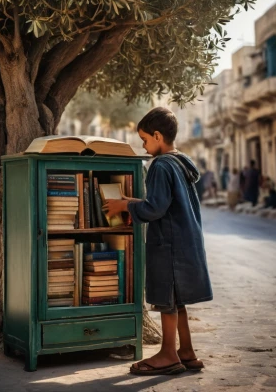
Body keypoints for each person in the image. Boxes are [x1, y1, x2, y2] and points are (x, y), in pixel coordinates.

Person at [103, 107, 212, 376]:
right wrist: (130, 202)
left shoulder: (160, 165)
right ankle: (185, 351)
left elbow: (155, 209)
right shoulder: (182, 162)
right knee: (178, 299)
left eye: (144, 140)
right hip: (186, 242)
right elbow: (165, 203)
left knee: (166, 300)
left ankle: (167, 354)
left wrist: (124, 207)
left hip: (169, 245)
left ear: (157, 135)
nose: (144, 145)